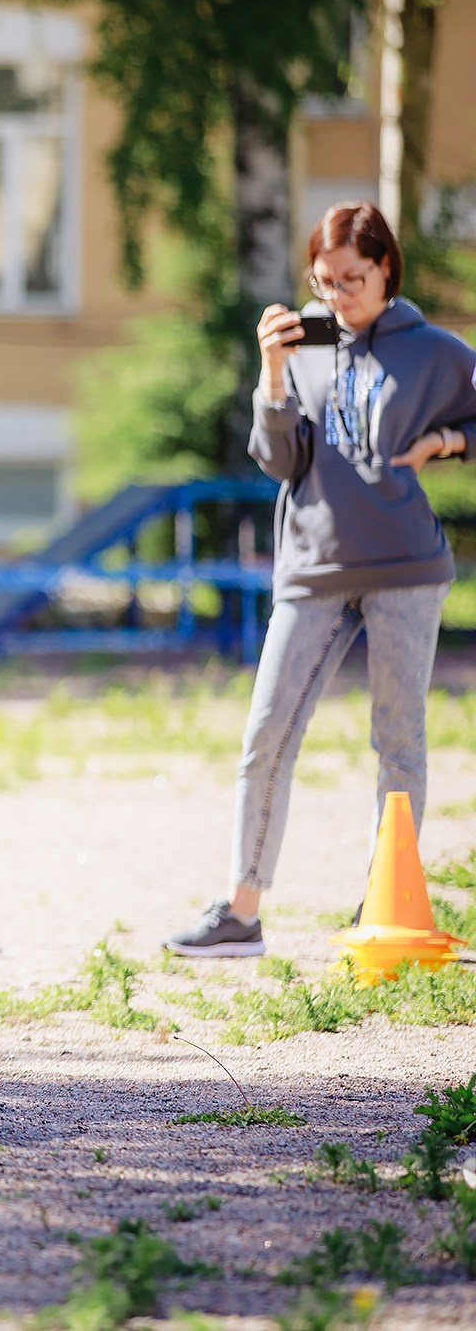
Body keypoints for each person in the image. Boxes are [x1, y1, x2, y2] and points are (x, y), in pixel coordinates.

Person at [167, 201, 476, 958]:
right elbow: (281, 461)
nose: (339, 295)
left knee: (397, 737)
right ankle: (242, 909)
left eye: (354, 279)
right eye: (325, 279)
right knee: (266, 732)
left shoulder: (435, 351)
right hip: (312, 569)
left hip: (407, 567)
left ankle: (386, 904)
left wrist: (447, 438)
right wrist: (272, 376)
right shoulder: (302, 345)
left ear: (387, 272)